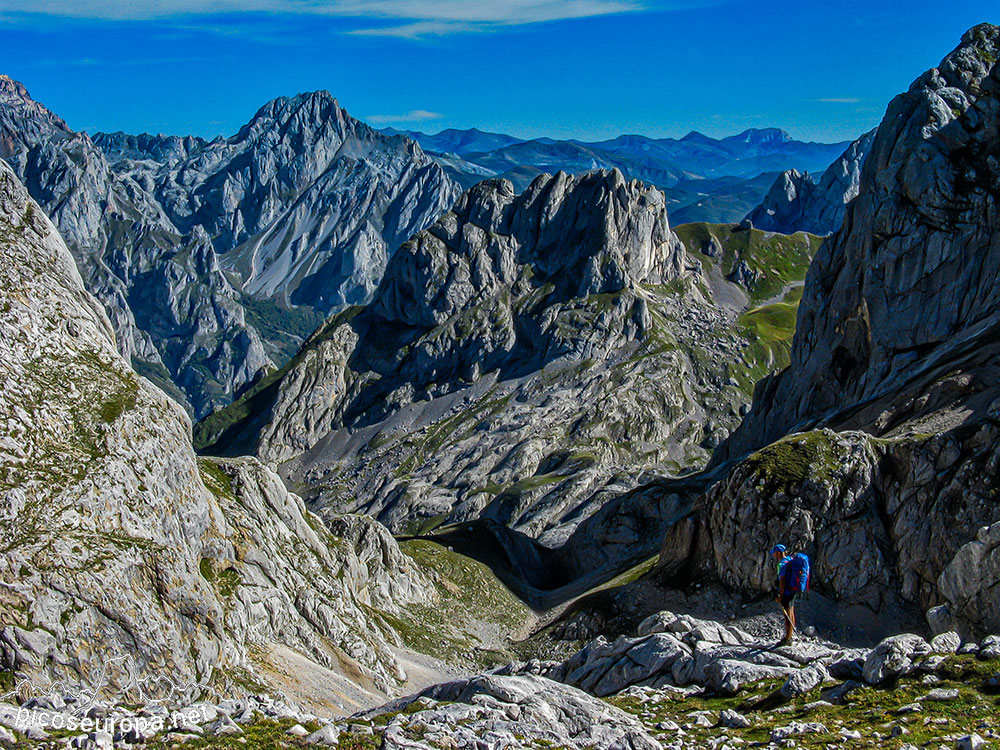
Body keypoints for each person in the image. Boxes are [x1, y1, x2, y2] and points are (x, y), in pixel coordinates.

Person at [771, 543, 809, 647]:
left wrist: (780, 595)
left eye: (774, 553)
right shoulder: (789, 559)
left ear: (778, 553)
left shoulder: (781, 564)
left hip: (786, 592)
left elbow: (782, 580)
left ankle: (787, 638)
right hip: (793, 590)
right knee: (791, 611)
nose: (774, 555)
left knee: (787, 614)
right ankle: (789, 636)